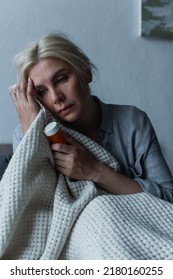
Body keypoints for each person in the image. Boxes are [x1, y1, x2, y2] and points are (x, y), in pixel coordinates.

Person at [10, 33, 173, 202]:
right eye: (42, 91)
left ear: (86, 71)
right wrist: (31, 133)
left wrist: (95, 170)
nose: (56, 97)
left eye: (61, 79)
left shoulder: (132, 122)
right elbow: (33, 209)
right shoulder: (25, 133)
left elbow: (169, 198)